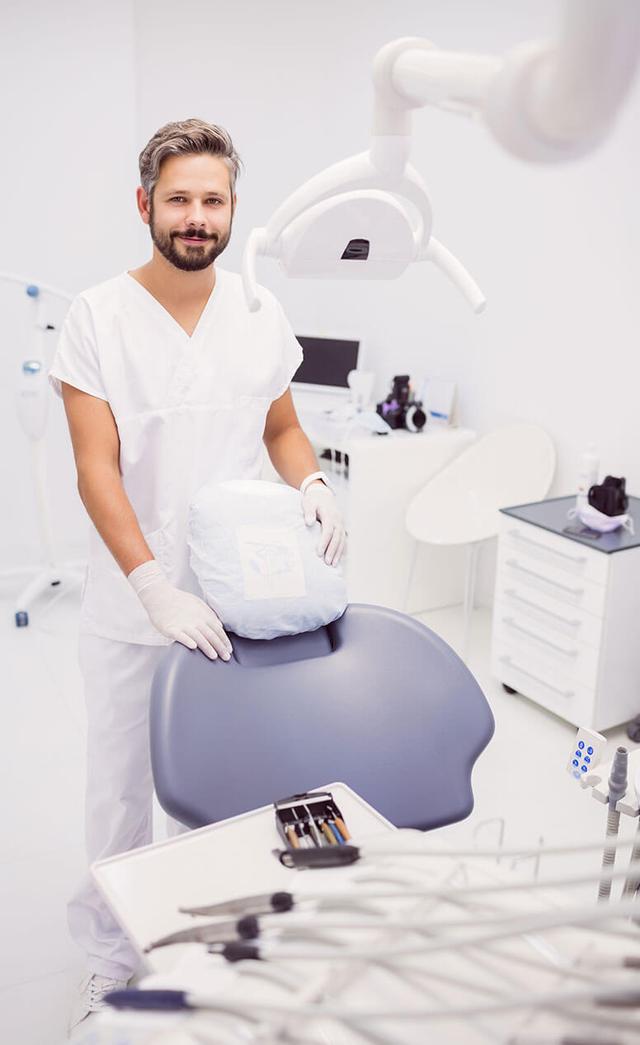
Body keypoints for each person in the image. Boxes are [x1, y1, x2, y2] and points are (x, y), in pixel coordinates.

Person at [48, 118, 346, 1030]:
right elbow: (97, 466)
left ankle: (211, 948)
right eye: (177, 198)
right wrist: (151, 585)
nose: (195, 216)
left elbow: (281, 426)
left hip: (239, 596)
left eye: (211, 200)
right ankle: (112, 958)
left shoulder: (259, 312)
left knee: (224, 784)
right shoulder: (96, 316)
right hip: (134, 605)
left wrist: (316, 480)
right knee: (119, 790)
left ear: (231, 209)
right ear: (145, 203)